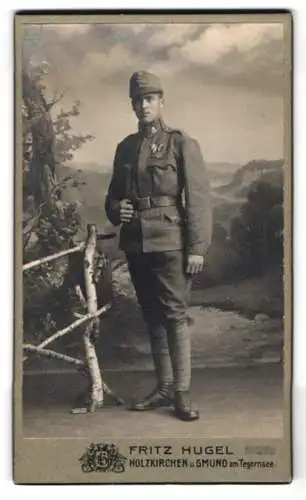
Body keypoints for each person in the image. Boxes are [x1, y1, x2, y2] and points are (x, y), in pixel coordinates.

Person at [105, 70, 212, 421]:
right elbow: (113, 198)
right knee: (152, 317)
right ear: (132, 105)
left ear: (161, 101)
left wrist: (196, 247)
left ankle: (181, 393)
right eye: (137, 100)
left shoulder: (181, 144)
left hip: (170, 241)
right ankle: (164, 386)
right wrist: (115, 209)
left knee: (175, 317)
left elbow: (198, 199)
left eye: (149, 98)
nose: (143, 106)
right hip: (136, 243)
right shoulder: (125, 147)